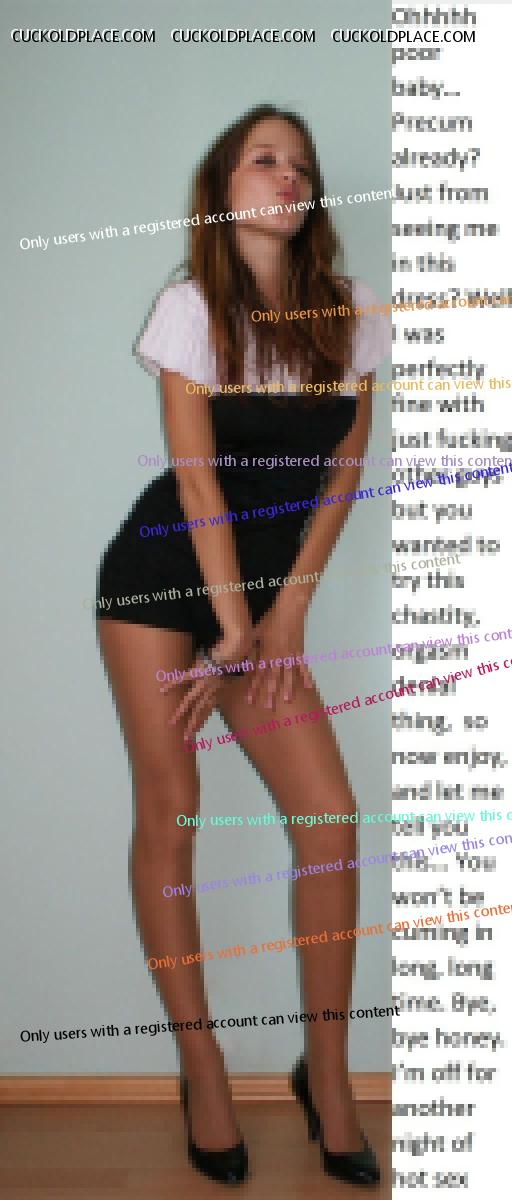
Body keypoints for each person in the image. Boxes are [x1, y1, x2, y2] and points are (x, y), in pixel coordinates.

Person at [97, 103, 389, 1186]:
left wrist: (286, 614)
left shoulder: (350, 312)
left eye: (300, 164)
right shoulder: (190, 310)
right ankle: (203, 1066)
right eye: (264, 160)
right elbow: (196, 481)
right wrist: (226, 628)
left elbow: (344, 468)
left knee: (330, 823)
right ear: (222, 189)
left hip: (264, 605)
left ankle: (328, 1076)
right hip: (159, 588)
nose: (287, 176)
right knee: (171, 816)